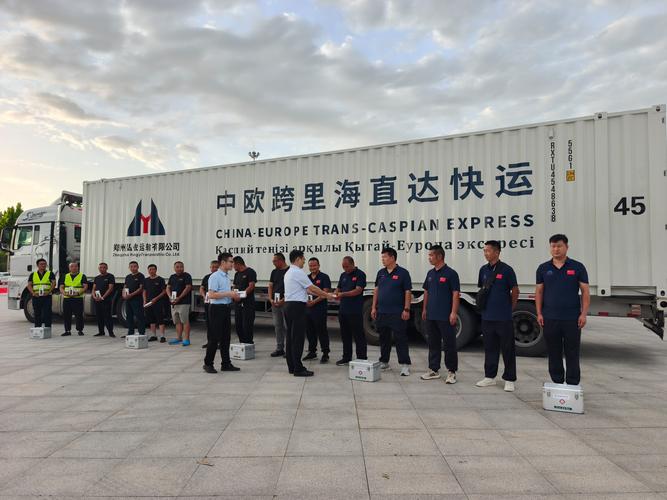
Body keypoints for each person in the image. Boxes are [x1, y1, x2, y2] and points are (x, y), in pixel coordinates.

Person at [536, 234, 590, 386]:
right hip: (550, 317)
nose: (556, 249)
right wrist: (539, 313)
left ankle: (572, 383)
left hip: (572, 318)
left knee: (572, 351)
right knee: (553, 351)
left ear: (567, 247)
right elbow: (539, 292)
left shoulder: (577, 267)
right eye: (553, 246)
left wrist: (583, 314)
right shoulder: (543, 268)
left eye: (559, 246)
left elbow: (585, 292)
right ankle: (557, 382)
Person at [475, 240, 519, 392]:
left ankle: (509, 379)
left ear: (497, 252)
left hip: (503, 317)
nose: (485, 253)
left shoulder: (507, 270)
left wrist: (511, 307)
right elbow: (482, 289)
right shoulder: (483, 270)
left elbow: (515, 290)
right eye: (484, 251)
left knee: (508, 349)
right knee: (490, 348)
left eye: (488, 250)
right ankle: (489, 377)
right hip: (487, 316)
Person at [283, 249, 334, 377]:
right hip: (297, 307)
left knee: (290, 337)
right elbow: (312, 288)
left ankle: (292, 366)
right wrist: (327, 295)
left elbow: (308, 290)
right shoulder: (298, 272)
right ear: (298, 259)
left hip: (289, 306)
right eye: (303, 259)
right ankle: (298, 369)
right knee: (298, 338)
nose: (304, 262)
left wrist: (322, 294)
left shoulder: (289, 272)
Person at [420, 245, 460, 383]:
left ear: (440, 256)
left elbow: (455, 294)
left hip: (445, 315)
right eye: (429, 255)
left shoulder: (451, 273)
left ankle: (451, 372)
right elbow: (426, 292)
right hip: (431, 315)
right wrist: (424, 309)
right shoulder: (430, 273)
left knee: (449, 344)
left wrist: (453, 312)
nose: (429, 258)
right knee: (433, 343)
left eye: (431, 255)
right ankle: (434, 369)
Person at [371, 247, 413, 376]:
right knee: (384, 338)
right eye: (382, 257)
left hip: (397, 312)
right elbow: (376, 290)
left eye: (385, 257)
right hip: (382, 311)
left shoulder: (403, 273)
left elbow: (407, 292)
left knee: (400, 338)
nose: (382, 259)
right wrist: (373, 307)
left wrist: (406, 309)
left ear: (392, 258)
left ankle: (405, 364)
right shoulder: (381, 273)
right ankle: (384, 361)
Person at [203, 252, 241, 373]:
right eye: (231, 261)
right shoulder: (215, 276)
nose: (232, 264)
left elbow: (224, 293)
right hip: (216, 309)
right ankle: (208, 364)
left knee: (226, 338)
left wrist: (233, 296)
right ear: (223, 262)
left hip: (226, 308)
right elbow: (211, 294)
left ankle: (226, 363)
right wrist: (229, 293)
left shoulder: (226, 277)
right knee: (214, 338)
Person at [334, 256, 367, 365]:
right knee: (345, 336)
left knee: (358, 336)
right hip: (343, 310)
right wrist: (335, 293)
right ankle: (346, 357)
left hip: (355, 311)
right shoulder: (343, 275)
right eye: (343, 267)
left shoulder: (360, 274)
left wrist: (343, 294)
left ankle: (361, 358)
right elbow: (338, 287)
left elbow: (358, 290)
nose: (345, 269)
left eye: (347, 266)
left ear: (353, 264)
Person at [303, 257, 331, 363]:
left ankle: (325, 353)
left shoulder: (324, 277)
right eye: (310, 266)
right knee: (309, 331)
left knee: (322, 331)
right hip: (308, 310)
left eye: (314, 265)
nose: (312, 268)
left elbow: (325, 293)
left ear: (318, 266)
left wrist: (314, 302)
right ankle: (312, 352)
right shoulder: (306, 277)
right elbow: (304, 291)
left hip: (319, 309)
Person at [167, 261, 193, 346]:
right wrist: (170, 297)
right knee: (177, 321)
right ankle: (178, 338)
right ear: (174, 268)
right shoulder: (172, 277)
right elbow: (168, 287)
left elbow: (188, 287)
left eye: (181, 267)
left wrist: (179, 297)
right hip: (174, 302)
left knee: (185, 321)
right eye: (177, 267)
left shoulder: (187, 276)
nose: (179, 268)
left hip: (184, 302)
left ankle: (186, 339)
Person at [58, 261, 87, 336]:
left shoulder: (82, 276)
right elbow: (61, 287)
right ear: (69, 268)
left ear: (78, 267)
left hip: (78, 298)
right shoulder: (65, 276)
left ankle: (80, 330)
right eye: (72, 266)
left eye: (76, 266)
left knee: (79, 315)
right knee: (67, 315)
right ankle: (67, 331)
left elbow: (85, 287)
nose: (74, 268)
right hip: (67, 298)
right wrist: (65, 293)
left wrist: (78, 293)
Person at [232, 256, 257, 344]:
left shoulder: (250, 272)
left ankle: (248, 344)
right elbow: (234, 286)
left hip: (248, 304)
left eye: (233, 265)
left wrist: (241, 296)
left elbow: (251, 286)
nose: (232, 267)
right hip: (238, 304)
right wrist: (233, 295)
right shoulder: (237, 274)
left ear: (238, 264)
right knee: (238, 325)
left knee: (247, 325)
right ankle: (242, 343)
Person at [268, 252, 289, 357]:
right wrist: (270, 298)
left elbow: (292, 288)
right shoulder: (274, 272)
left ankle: (289, 349)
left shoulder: (289, 271)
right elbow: (270, 286)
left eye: (274, 261)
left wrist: (283, 300)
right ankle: (280, 348)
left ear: (281, 260)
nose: (273, 263)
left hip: (286, 303)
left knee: (288, 326)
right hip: (275, 303)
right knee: (278, 326)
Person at [27, 258, 56, 330]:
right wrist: (33, 293)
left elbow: (54, 284)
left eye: (44, 264)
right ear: (37, 265)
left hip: (47, 297)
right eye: (41, 264)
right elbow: (29, 285)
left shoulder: (50, 273)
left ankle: (47, 329)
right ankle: (37, 329)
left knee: (47, 313)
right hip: (36, 297)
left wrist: (48, 292)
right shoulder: (33, 274)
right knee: (37, 313)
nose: (43, 265)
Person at [143, 264, 168, 342]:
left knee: (160, 319)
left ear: (156, 270)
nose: (151, 271)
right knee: (151, 320)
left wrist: (156, 299)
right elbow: (144, 291)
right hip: (149, 303)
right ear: (148, 270)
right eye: (150, 269)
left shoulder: (160, 279)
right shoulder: (146, 280)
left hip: (158, 302)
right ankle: (153, 335)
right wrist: (144, 301)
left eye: (153, 269)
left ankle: (162, 336)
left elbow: (164, 291)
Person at [92, 262, 115, 337]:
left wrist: (103, 297)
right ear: (98, 269)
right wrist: (94, 296)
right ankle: (101, 332)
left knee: (107, 316)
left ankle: (111, 332)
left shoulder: (110, 276)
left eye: (104, 267)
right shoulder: (97, 278)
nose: (102, 269)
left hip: (106, 300)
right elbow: (93, 288)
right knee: (99, 316)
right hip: (97, 300)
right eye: (100, 268)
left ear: (107, 268)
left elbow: (110, 288)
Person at [122, 261, 145, 338]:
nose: (133, 268)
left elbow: (141, 288)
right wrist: (123, 294)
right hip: (128, 300)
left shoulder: (141, 276)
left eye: (135, 266)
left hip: (137, 299)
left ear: (138, 267)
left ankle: (141, 333)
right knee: (129, 316)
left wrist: (131, 295)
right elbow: (125, 286)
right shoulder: (128, 276)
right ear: (129, 268)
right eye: (131, 266)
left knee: (139, 316)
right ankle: (130, 332)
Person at [200, 260, 219, 349]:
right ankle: (210, 342)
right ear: (210, 268)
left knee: (217, 324)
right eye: (213, 267)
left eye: (216, 267)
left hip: (217, 304)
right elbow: (202, 289)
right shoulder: (206, 277)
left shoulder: (221, 277)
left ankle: (219, 342)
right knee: (209, 323)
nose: (214, 269)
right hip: (208, 303)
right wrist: (204, 297)